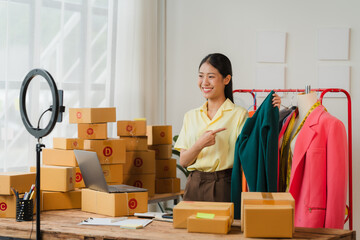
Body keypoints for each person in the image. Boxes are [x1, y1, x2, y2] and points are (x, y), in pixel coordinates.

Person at [174, 53, 281, 202]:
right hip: (194, 186)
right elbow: (184, 161)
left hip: (223, 186)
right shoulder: (190, 116)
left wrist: (270, 111)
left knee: (221, 225)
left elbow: (252, 149)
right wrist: (200, 144)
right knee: (190, 225)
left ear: (226, 79)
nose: (204, 82)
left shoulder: (238, 115)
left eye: (211, 76)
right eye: (201, 76)